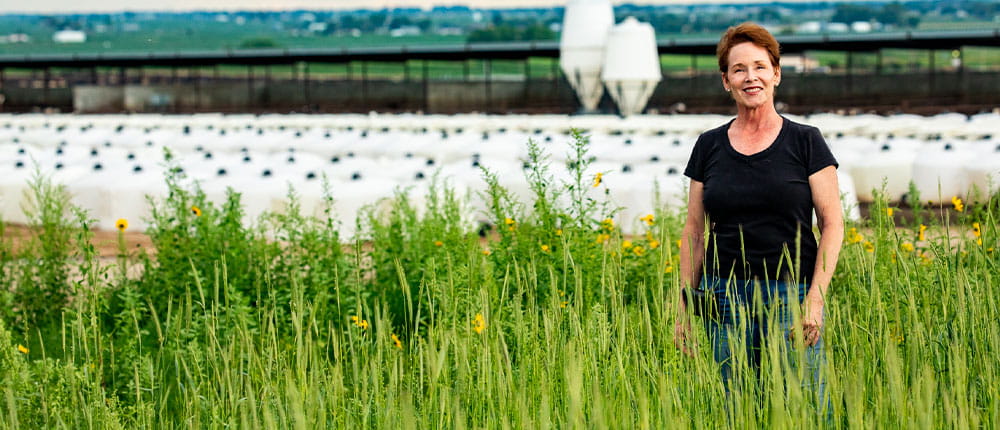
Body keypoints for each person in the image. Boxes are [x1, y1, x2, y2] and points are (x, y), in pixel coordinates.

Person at [672, 22, 844, 401]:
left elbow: (832, 225)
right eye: (739, 69)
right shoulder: (709, 145)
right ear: (725, 81)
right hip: (723, 298)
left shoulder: (806, 141)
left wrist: (815, 297)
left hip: (790, 296)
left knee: (804, 409)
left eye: (760, 66)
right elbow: (694, 232)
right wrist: (684, 307)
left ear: (776, 74)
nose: (751, 77)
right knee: (733, 409)